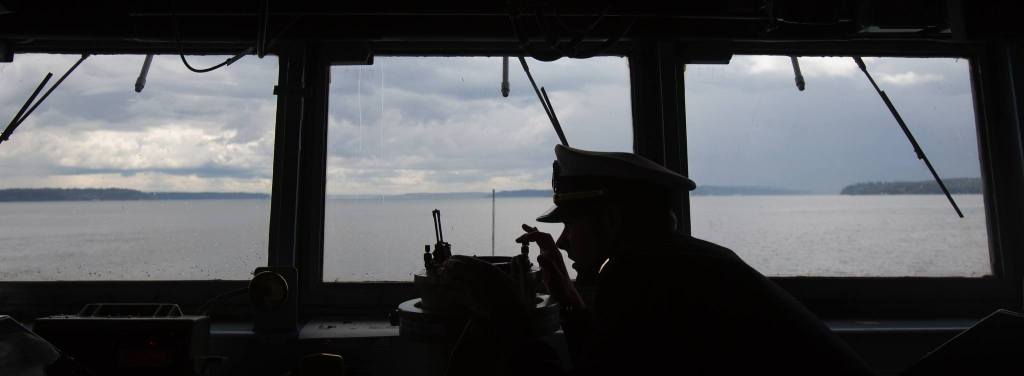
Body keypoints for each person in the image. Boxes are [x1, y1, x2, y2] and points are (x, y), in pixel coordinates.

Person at [441, 144, 875, 375]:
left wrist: (504, 317)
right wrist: (565, 290)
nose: (565, 242)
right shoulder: (678, 262)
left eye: (570, 225)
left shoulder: (643, 276)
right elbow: (613, 359)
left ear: (610, 219)